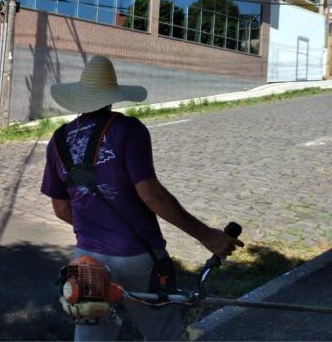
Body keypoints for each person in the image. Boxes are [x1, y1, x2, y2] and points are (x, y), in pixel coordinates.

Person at [40, 56, 244, 341]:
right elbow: (151, 195)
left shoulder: (59, 139)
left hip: (87, 260)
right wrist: (207, 236)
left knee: (92, 338)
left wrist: (97, 228)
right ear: (112, 96)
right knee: (164, 335)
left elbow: (61, 208)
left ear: (81, 97)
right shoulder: (128, 129)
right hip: (138, 258)